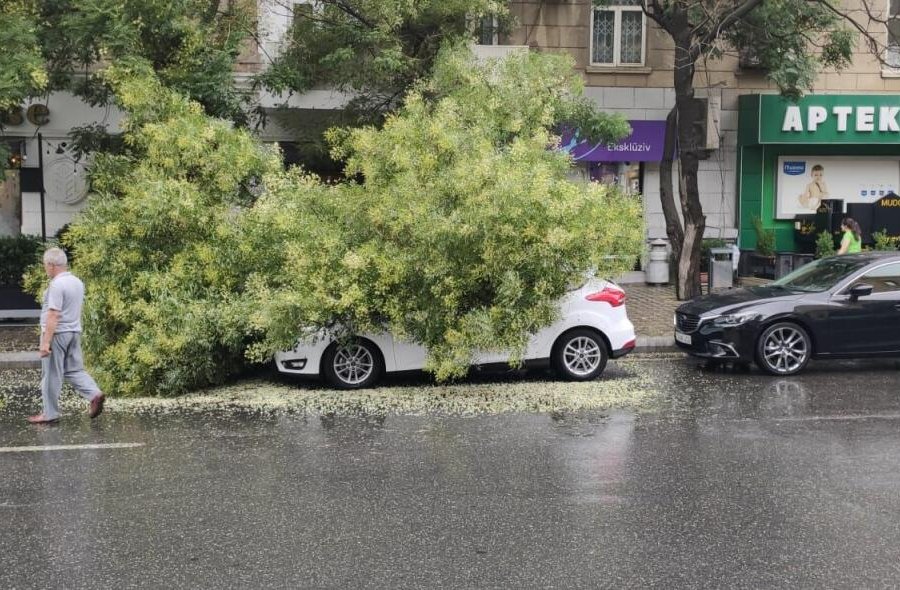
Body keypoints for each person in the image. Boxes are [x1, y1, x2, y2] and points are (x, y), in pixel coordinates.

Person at [27, 247, 105, 424]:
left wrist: (46, 343)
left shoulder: (56, 284)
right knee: (74, 370)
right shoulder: (77, 282)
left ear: (52, 265)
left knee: (51, 375)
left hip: (57, 334)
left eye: (45, 265)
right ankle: (94, 393)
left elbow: (53, 314)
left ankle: (49, 413)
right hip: (74, 332)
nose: (45, 269)